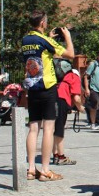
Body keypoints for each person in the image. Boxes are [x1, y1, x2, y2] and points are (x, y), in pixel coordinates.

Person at [21, 11, 74, 182]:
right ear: (43, 22)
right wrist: (68, 37)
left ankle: (30, 169)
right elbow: (70, 54)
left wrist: (48, 37)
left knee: (33, 128)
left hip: (32, 88)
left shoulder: (25, 40)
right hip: (47, 87)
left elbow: (41, 53)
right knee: (48, 129)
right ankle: (45, 170)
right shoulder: (45, 41)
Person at [54, 61, 83, 165]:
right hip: (62, 100)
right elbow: (77, 98)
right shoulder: (74, 77)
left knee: (52, 128)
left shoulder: (58, 78)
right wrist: (81, 108)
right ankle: (61, 157)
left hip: (51, 98)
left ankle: (55, 154)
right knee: (60, 128)